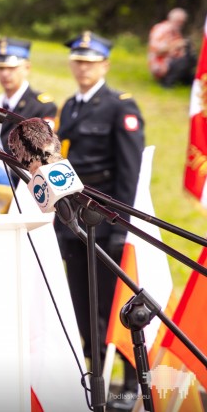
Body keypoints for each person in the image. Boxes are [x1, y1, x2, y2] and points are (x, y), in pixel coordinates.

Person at [56, 31, 145, 411]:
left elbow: (129, 174)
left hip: (107, 225)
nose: (83, 68)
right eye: (78, 61)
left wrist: (121, 227)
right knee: (83, 307)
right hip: (74, 223)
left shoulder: (120, 107)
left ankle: (130, 384)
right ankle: (99, 384)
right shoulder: (70, 107)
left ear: (104, 65)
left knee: (113, 307)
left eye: (90, 62)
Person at [0, 37, 57, 150]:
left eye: (11, 68)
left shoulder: (42, 107)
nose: (5, 74)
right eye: (0, 68)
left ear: (27, 68)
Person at [148, 7, 196, 87]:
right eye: (178, 21)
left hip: (172, 62)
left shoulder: (176, 33)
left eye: (182, 22)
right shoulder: (161, 29)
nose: (180, 24)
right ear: (170, 19)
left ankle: (187, 80)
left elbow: (180, 52)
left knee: (191, 58)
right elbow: (157, 51)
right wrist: (176, 45)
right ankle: (166, 83)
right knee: (185, 61)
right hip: (160, 65)